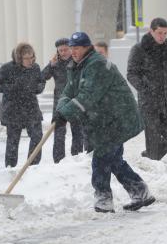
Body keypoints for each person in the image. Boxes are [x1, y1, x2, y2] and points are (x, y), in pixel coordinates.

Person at [52, 32, 155, 213]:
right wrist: (60, 111)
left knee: (101, 158)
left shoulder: (96, 65)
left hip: (117, 118)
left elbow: (88, 96)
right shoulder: (77, 66)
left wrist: (66, 114)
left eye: (77, 48)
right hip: (105, 120)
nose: (73, 52)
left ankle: (103, 198)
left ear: (86, 47)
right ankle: (140, 191)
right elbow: (67, 92)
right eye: (71, 48)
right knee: (113, 159)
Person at [127, 17, 167, 160]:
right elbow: (131, 73)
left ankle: (151, 157)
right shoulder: (139, 49)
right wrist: (145, 89)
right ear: (151, 31)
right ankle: (153, 161)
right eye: (159, 33)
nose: (162, 37)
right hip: (149, 102)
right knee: (153, 138)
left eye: (165, 33)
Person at [0, 42, 46, 168]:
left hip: (31, 108)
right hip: (13, 109)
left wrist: (38, 88)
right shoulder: (7, 68)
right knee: (13, 141)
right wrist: (13, 88)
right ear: (19, 58)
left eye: (31, 57)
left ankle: (32, 165)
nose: (30, 61)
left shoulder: (35, 68)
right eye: (26, 58)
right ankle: (10, 167)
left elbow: (41, 82)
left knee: (37, 136)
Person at [42, 38, 85, 163]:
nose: (63, 52)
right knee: (59, 133)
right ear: (57, 51)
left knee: (78, 132)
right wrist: (50, 65)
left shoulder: (77, 61)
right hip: (59, 103)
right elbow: (42, 76)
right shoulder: (55, 64)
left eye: (66, 49)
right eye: (60, 50)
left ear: (70, 49)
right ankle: (58, 161)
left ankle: (76, 157)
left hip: (75, 101)